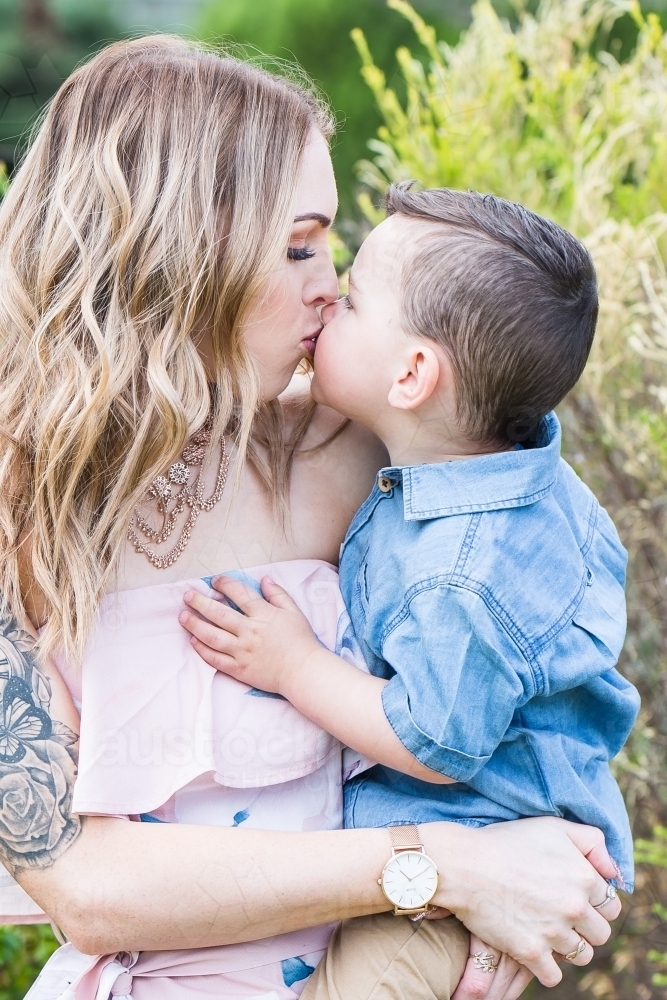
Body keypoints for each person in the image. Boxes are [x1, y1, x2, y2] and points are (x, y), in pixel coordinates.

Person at [0, 35, 621, 1000]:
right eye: (298, 246)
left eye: (331, 245)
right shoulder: (16, 513)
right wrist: (449, 866)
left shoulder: (347, 457)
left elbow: (535, 620)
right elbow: (86, 885)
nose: (327, 284)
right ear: (173, 248)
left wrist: (538, 857)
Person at [179, 186, 640, 999]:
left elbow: (431, 743)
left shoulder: (462, 574)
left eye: (353, 300)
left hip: (468, 864)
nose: (328, 295)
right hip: (487, 838)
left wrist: (292, 667)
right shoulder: (502, 462)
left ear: (413, 375)